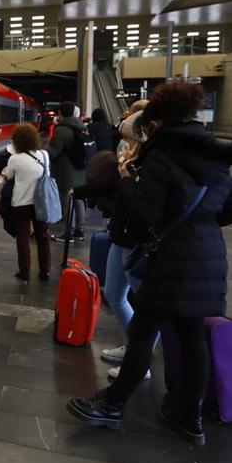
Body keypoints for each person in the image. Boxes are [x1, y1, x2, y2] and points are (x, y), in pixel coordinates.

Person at [66, 79, 232, 446]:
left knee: (142, 335)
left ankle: (113, 405)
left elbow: (144, 215)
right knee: (192, 338)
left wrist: (125, 183)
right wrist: (201, 227)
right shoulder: (215, 156)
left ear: (158, 120)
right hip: (209, 261)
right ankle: (190, 415)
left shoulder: (162, 157)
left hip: (170, 263)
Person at [74, 110, 153, 375]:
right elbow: (111, 186)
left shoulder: (151, 166)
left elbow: (140, 207)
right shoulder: (131, 162)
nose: (124, 142)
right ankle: (132, 345)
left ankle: (140, 361)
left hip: (136, 241)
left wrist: (128, 180)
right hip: (119, 235)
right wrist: (79, 192)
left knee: (145, 305)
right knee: (114, 295)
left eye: (129, 137)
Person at [0, 123, 52, 281]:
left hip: (20, 204)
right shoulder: (44, 155)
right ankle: (45, 271)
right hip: (40, 203)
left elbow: (7, 176)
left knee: (22, 237)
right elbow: (47, 174)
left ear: (17, 141)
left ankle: (25, 272)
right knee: (43, 236)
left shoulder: (15, 159)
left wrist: (3, 174)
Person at [47, 101, 87, 242]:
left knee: (67, 201)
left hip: (66, 172)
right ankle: (79, 231)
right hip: (80, 170)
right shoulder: (81, 127)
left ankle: (68, 233)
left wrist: (41, 152)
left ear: (60, 113)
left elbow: (53, 152)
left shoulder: (62, 130)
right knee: (79, 200)